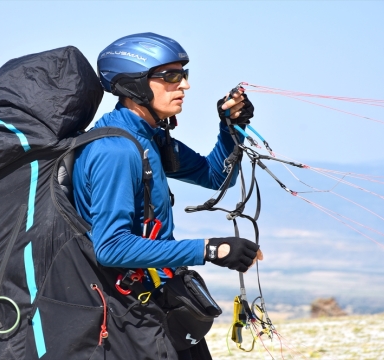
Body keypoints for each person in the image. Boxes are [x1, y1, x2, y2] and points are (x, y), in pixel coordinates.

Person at [72, 33, 264, 359]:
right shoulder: (116, 151)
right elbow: (111, 247)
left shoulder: (149, 138)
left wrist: (229, 127)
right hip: (130, 317)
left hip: (158, 303)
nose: (184, 85)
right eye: (171, 76)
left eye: (184, 75)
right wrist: (210, 249)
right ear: (134, 84)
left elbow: (216, 176)